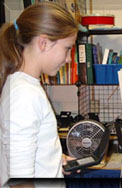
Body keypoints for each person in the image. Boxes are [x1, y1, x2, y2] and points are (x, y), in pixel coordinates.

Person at [0, 2, 79, 187]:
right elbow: (20, 181)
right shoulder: (24, 94)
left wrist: (54, 161)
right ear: (43, 43)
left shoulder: (26, 86)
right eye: (67, 48)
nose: (68, 59)